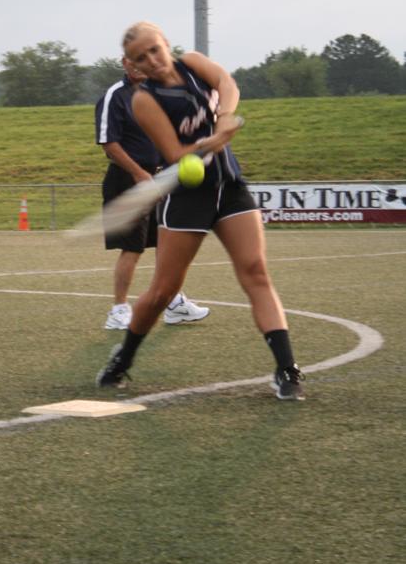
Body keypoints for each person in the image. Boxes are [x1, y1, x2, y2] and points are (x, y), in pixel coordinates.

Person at [96, 22, 305, 401]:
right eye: (141, 58)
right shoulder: (144, 100)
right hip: (188, 196)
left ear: (166, 43)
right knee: (163, 291)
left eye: (155, 49)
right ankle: (122, 359)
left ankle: (286, 368)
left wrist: (224, 117)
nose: (151, 60)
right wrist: (210, 142)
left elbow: (227, 83)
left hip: (229, 186)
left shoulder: (192, 63)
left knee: (255, 272)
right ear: (133, 64)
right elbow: (176, 154)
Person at [95, 57, 209, 330]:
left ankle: (173, 303)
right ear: (124, 62)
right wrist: (138, 173)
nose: (138, 65)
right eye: (133, 60)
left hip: (159, 177)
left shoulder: (159, 94)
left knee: (167, 243)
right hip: (128, 180)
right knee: (132, 248)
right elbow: (109, 144)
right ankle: (118, 311)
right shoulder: (115, 95)